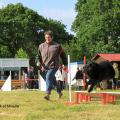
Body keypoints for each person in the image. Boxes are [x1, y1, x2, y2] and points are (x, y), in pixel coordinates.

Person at [37, 30, 67, 100]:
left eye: (49, 37)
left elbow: (63, 55)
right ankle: (59, 92)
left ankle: (47, 94)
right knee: (53, 80)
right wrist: (38, 61)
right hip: (45, 66)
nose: (47, 39)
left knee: (48, 77)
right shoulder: (41, 46)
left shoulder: (57, 46)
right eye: (46, 37)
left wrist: (65, 64)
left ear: (52, 37)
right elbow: (38, 56)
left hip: (54, 65)